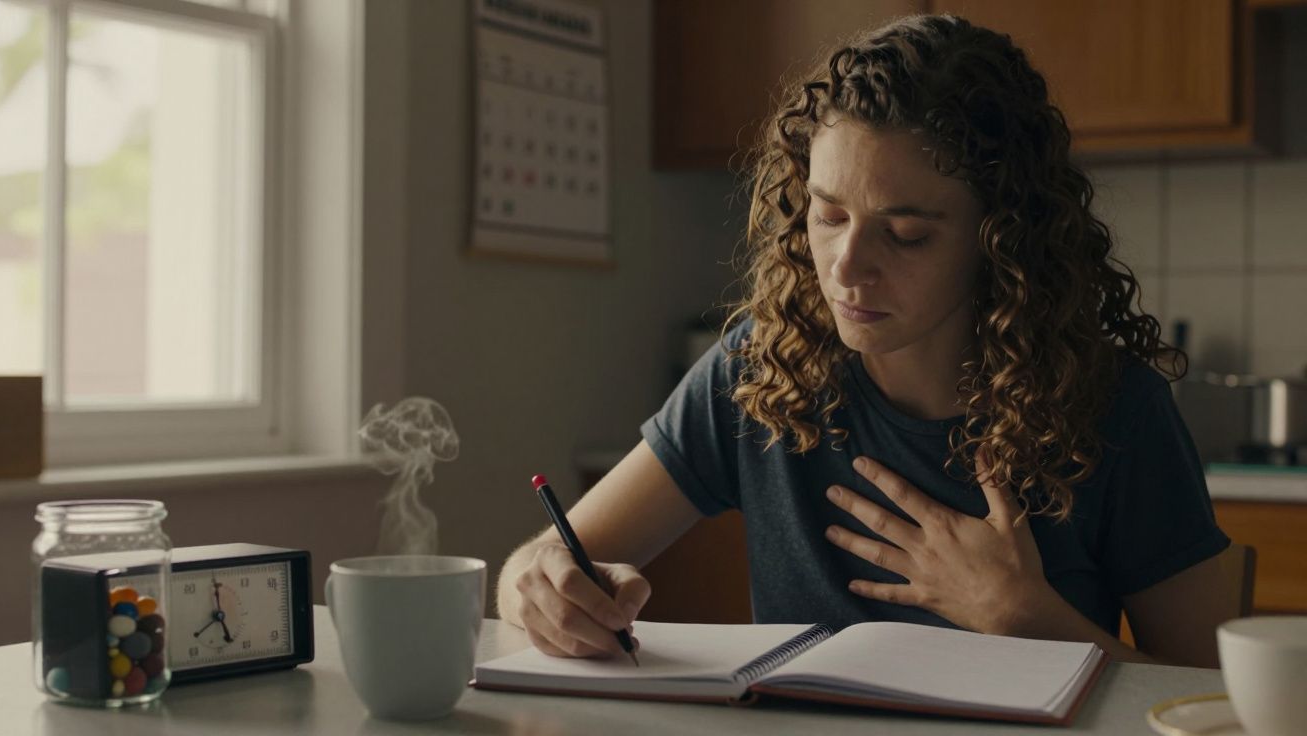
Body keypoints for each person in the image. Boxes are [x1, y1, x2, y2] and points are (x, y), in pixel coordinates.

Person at [496, 14, 1235, 668]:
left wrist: (1024, 618)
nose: (847, 267)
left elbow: (1211, 708)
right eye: (828, 216)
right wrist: (541, 584)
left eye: (906, 234)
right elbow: (542, 559)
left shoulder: (1117, 409)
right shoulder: (760, 368)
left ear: (999, 240)